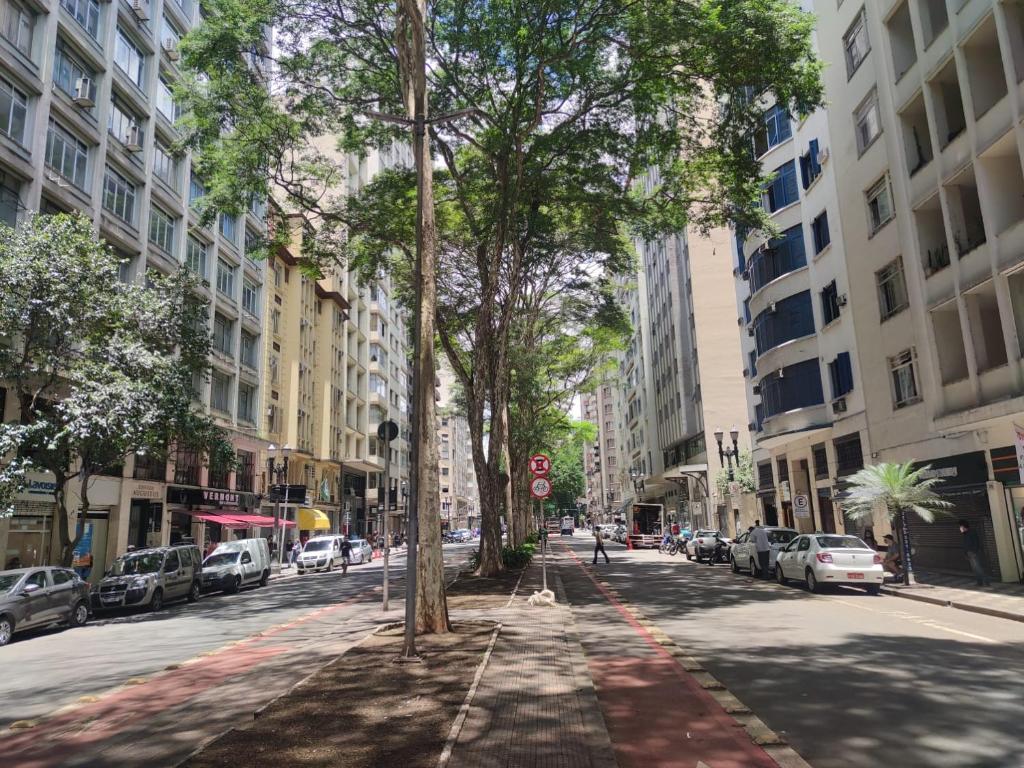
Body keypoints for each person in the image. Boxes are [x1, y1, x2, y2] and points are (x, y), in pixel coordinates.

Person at [959, 520, 991, 586]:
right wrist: (966, 553)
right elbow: (966, 544)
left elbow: (976, 542)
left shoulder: (972, 532)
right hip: (969, 553)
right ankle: (979, 582)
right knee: (974, 569)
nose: (960, 528)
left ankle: (986, 581)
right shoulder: (965, 534)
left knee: (978, 568)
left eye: (961, 526)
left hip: (973, 553)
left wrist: (974, 551)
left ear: (964, 526)